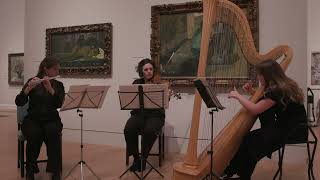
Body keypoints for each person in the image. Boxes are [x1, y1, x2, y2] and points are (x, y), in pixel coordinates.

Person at [224, 59, 307, 180]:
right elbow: (267, 102)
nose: (258, 77)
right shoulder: (284, 85)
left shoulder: (277, 90)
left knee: (252, 141)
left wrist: (238, 96)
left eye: (259, 74)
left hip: (292, 131)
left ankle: (237, 173)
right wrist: (251, 91)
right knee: (251, 139)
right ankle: (236, 172)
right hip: (293, 127)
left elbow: (255, 109)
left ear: (267, 75)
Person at [15, 56, 65, 180]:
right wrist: (27, 89)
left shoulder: (58, 85)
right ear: (45, 69)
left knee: (53, 132)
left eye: (58, 69)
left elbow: (59, 103)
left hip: (52, 119)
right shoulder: (32, 81)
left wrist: (50, 89)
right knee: (34, 134)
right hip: (33, 120)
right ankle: (31, 170)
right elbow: (19, 102)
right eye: (55, 69)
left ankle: (53, 171)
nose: (57, 72)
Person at [124, 58, 165, 172]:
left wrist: (167, 95)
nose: (148, 71)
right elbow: (131, 101)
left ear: (153, 70)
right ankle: (136, 158)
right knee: (129, 129)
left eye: (151, 69)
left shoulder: (160, 84)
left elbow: (164, 102)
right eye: (146, 69)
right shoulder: (136, 83)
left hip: (156, 116)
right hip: (139, 114)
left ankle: (143, 159)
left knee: (149, 131)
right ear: (141, 71)